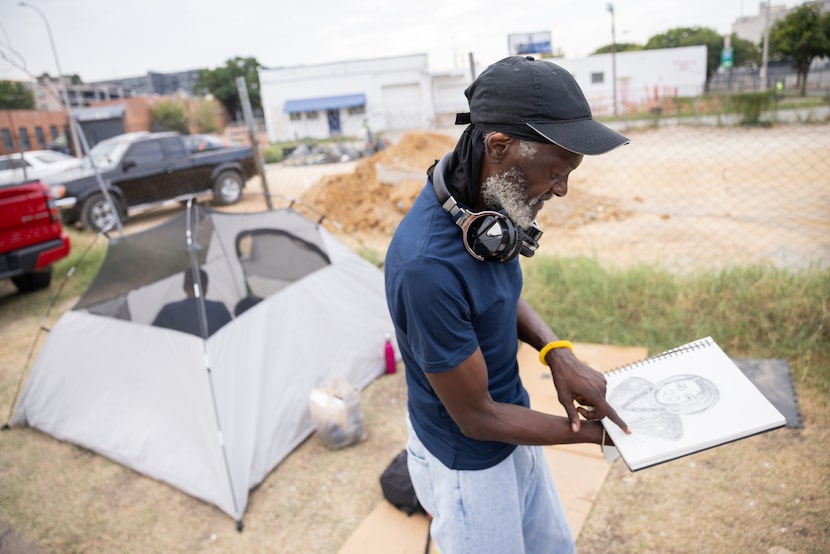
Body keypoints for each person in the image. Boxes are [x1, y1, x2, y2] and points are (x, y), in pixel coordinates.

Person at [384, 56, 632, 553]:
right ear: (498, 147)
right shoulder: (426, 268)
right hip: (470, 464)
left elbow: (496, 295)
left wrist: (557, 353)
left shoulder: (486, 212)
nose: (562, 189)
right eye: (555, 172)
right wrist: (597, 435)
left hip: (514, 425)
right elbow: (476, 417)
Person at [152, 268, 232, 337]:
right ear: (205, 288)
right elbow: (232, 336)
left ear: (184, 287)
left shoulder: (168, 311)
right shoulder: (220, 309)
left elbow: (153, 337)